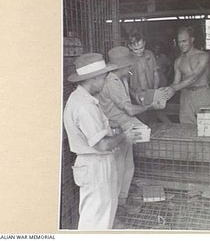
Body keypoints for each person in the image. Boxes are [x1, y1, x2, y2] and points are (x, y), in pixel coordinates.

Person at [63, 53, 139, 230]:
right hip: (95, 166)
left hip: (96, 164)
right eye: (104, 77)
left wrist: (110, 127)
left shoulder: (82, 99)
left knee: (101, 215)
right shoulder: (85, 106)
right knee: (96, 220)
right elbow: (102, 144)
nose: (105, 81)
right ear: (94, 78)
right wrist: (125, 136)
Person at [98, 46, 153, 215]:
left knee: (128, 165)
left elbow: (130, 95)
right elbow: (129, 109)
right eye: (128, 65)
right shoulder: (111, 83)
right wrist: (150, 106)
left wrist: (140, 97)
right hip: (116, 128)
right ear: (120, 67)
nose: (131, 67)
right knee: (119, 167)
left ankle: (122, 201)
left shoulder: (122, 78)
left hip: (125, 125)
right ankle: (115, 208)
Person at [164, 26, 210, 125]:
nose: (181, 45)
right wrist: (166, 91)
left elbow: (194, 77)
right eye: (179, 42)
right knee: (186, 127)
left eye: (184, 41)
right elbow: (175, 82)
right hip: (186, 96)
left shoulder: (203, 56)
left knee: (209, 126)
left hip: (202, 93)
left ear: (192, 40)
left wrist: (174, 88)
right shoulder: (178, 61)